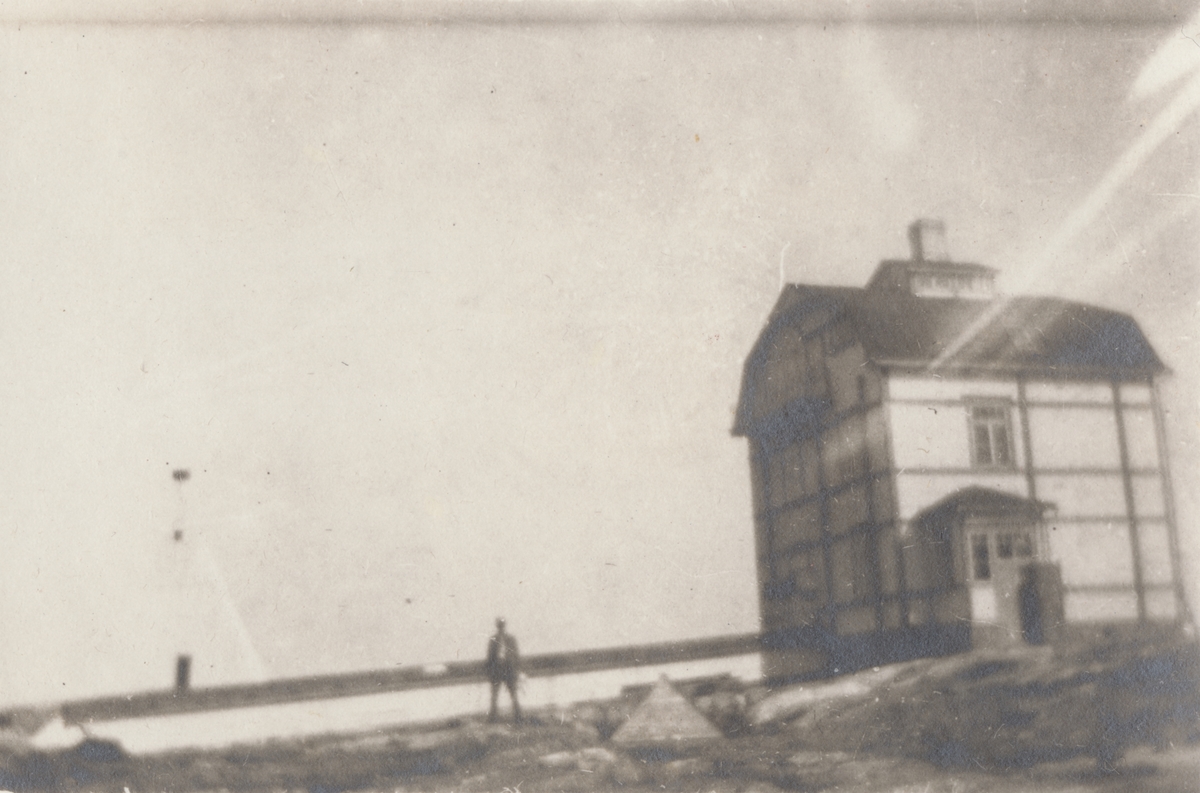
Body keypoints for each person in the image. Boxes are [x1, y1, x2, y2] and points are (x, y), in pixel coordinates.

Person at [486, 617, 521, 722]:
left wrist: (516, 670)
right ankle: (493, 717)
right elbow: (490, 656)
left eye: (502, 626)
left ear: (504, 626)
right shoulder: (493, 640)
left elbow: (516, 655)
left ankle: (518, 716)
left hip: (509, 669)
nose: (501, 628)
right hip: (497, 670)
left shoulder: (511, 639)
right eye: (499, 626)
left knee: (513, 694)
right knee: (494, 695)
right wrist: (490, 671)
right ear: (497, 627)